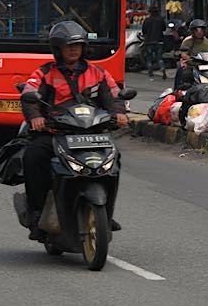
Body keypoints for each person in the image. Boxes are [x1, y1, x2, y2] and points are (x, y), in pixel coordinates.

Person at [20, 21, 128, 242]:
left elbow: (114, 96)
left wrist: (119, 113)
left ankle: (107, 213)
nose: (73, 50)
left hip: (91, 133)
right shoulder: (44, 73)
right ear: (57, 49)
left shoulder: (98, 73)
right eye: (68, 46)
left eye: (77, 46)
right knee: (33, 156)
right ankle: (37, 213)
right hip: (55, 132)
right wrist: (36, 117)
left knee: (114, 158)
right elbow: (29, 96)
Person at [174, 19, 208, 89]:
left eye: (201, 30)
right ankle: (178, 90)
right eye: (197, 30)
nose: (199, 32)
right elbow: (184, 54)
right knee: (184, 73)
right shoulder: (187, 42)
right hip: (193, 66)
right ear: (192, 31)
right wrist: (188, 58)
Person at [141, 6, 167, 81]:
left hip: (149, 42)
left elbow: (144, 30)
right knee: (159, 58)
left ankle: (151, 76)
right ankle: (162, 68)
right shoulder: (160, 19)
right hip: (159, 41)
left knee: (149, 59)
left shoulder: (147, 20)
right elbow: (164, 28)